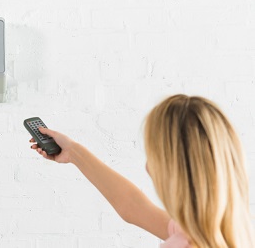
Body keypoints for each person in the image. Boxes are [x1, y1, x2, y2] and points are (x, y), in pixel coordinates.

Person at [29, 94, 255, 247]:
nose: (147, 168)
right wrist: (74, 152)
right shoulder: (215, 232)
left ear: (175, 169)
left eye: (154, 155)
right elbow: (132, 206)